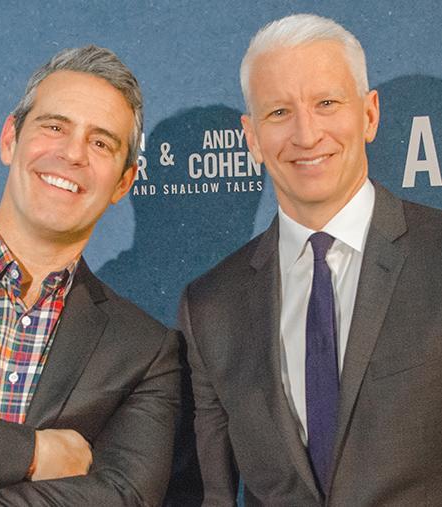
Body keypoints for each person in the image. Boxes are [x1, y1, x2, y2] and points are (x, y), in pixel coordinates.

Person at [178, 13, 442, 505]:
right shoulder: (211, 306)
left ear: (369, 115)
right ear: (252, 137)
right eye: (279, 112)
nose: (306, 134)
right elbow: (215, 495)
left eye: (326, 104)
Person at [0, 45, 179, 506]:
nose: (72, 154)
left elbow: (123, 497)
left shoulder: (145, 352)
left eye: (101, 143)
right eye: (55, 127)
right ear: (10, 139)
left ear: (124, 183)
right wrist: (32, 453)